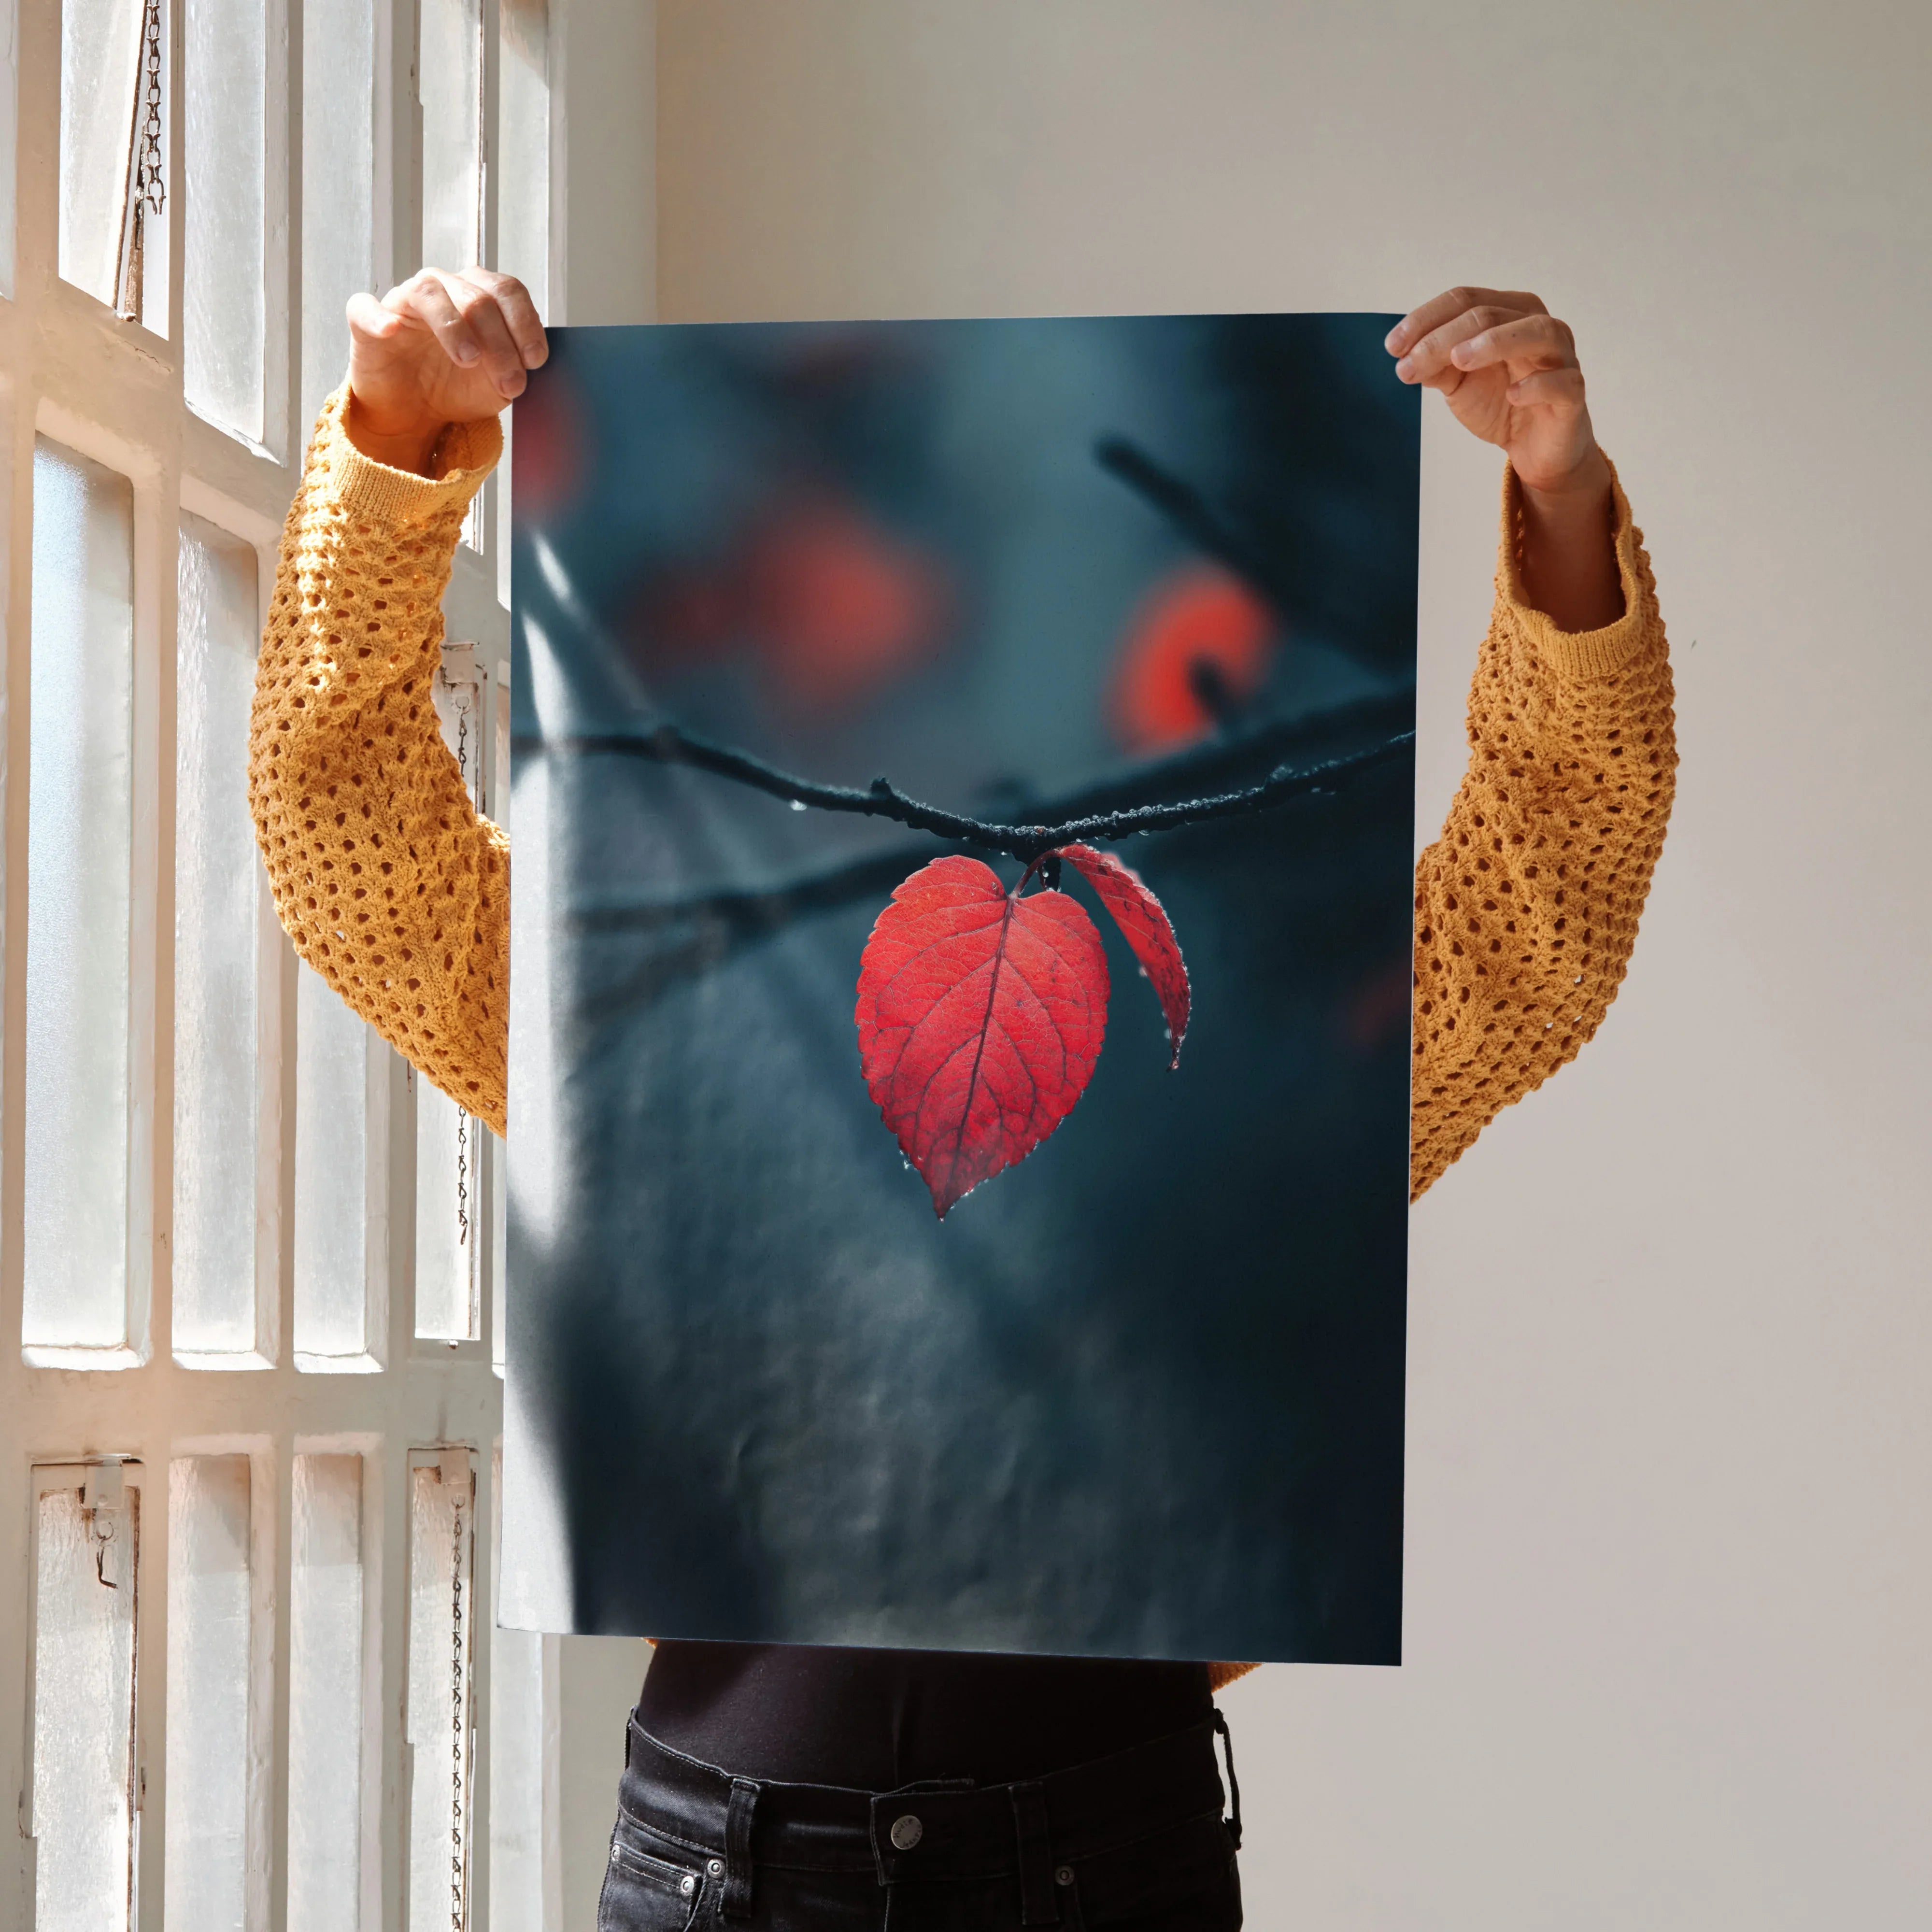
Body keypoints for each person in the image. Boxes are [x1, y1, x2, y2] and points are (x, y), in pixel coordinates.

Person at [249, 270, 1675, 1931]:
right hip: (730, 1866)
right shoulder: (665, 1033)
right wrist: (393, 445)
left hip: (1104, 1855)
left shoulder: (1224, 1035)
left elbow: (1545, 902)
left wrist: (1560, 499)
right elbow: (350, 842)